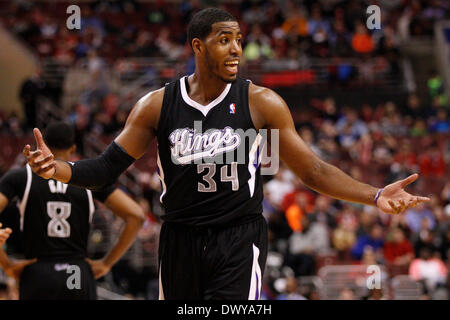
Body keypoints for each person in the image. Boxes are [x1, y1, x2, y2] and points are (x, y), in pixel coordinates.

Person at [22, 8, 430, 300]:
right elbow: (105, 168)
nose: (236, 49)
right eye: (224, 40)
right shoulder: (156, 105)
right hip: (179, 239)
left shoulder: (261, 102)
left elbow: (313, 170)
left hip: (237, 237)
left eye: (238, 40)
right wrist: (56, 169)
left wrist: (375, 195)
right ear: (198, 46)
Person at [0, 122, 145, 300]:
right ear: (73, 148)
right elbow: (136, 216)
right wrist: (106, 263)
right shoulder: (88, 178)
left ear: (44, 142)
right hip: (76, 271)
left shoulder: (20, 177)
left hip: (38, 273)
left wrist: (6, 264)